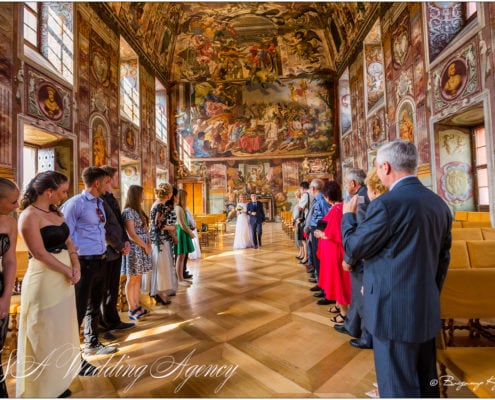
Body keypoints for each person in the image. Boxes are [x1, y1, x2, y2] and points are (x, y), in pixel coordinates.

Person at [342, 140, 452, 397]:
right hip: (425, 308)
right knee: (427, 383)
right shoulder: (439, 203)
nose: (378, 173)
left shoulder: (388, 204)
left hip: (392, 313)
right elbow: (443, 259)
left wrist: (348, 217)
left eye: (378, 168)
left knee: (396, 386)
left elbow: (354, 248)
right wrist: (430, 293)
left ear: (386, 166)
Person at [16, 171, 80, 398]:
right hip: (44, 279)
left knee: (61, 329)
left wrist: (75, 263)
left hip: (65, 277)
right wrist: (66, 271)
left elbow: (69, 241)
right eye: (63, 191)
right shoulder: (28, 216)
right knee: (43, 332)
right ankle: (41, 390)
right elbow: (40, 254)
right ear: (49, 192)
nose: (65, 195)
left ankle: (58, 383)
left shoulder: (55, 212)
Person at [61, 166, 118, 356]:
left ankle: (92, 343)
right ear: (97, 183)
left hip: (100, 259)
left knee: (94, 304)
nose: (108, 184)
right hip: (83, 262)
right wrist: (72, 262)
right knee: (78, 306)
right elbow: (65, 234)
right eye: (106, 181)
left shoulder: (99, 203)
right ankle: (70, 352)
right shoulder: (75, 204)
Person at [334, 168, 372, 350]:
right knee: (357, 294)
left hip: (361, 257)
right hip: (360, 256)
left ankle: (368, 336)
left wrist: (349, 258)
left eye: (347, 183)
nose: (346, 186)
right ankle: (352, 326)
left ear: (354, 184)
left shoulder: (361, 199)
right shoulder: (362, 195)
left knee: (363, 297)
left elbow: (360, 233)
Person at [99, 165, 134, 334]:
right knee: (105, 289)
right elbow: (104, 228)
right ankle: (105, 324)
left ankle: (113, 320)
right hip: (107, 251)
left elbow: (119, 223)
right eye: (115, 176)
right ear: (108, 179)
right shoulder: (99, 200)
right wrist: (119, 245)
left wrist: (125, 242)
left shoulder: (111, 197)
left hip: (117, 249)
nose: (117, 180)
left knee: (112, 288)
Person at [314, 181, 350, 323]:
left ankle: (343, 313)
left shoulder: (336, 210)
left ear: (328, 196)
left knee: (337, 281)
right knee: (336, 280)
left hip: (334, 251)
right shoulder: (338, 207)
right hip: (333, 251)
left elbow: (333, 233)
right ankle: (337, 305)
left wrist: (320, 234)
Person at [121, 185, 152, 320]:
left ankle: (137, 304)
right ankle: (131, 308)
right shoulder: (128, 212)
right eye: (142, 194)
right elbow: (131, 234)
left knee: (138, 277)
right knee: (132, 278)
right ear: (136, 195)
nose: (144, 196)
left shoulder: (138, 211)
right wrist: (145, 245)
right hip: (135, 249)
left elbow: (145, 229)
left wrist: (149, 242)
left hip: (143, 248)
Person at [0, 178, 19, 397]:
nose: (17, 206)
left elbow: (10, 261)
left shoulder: (10, 223)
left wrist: (6, 297)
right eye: (13, 202)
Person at [148, 183, 176, 305]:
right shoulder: (160, 205)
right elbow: (158, 225)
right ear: (169, 194)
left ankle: (158, 291)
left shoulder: (157, 204)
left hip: (157, 240)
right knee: (161, 267)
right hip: (160, 241)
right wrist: (172, 227)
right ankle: (159, 292)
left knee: (160, 266)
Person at [174, 189, 195, 286]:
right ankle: (179, 279)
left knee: (182, 257)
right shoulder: (178, 208)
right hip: (181, 233)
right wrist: (191, 233)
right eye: (185, 197)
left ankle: (181, 278)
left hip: (183, 232)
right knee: (180, 256)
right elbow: (182, 225)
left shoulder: (181, 208)